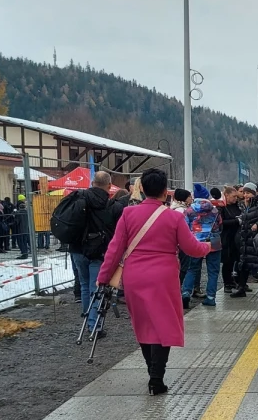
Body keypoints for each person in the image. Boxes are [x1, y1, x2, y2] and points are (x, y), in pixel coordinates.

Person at [97, 168, 211, 395]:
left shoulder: (128, 215)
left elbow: (114, 250)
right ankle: (156, 379)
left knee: (145, 325)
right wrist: (209, 246)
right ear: (164, 190)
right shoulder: (173, 217)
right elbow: (191, 248)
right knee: (164, 326)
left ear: (141, 188)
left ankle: (151, 370)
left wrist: (102, 278)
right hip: (164, 277)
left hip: (134, 276)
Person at [68, 171, 124, 334]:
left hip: (77, 250)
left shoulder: (79, 199)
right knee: (96, 288)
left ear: (93, 183)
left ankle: (87, 319)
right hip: (99, 252)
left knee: (85, 286)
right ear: (109, 186)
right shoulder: (114, 206)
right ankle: (94, 325)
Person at [180, 192, 223, 307]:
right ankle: (210, 297)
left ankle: (186, 293)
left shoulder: (189, 210)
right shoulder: (214, 210)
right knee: (213, 271)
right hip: (213, 241)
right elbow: (220, 224)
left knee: (192, 269)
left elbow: (185, 226)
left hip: (196, 241)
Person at [218, 185, 243, 292]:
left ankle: (235, 281)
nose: (235, 199)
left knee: (235, 260)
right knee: (227, 261)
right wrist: (236, 221)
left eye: (236, 197)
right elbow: (220, 223)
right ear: (226, 196)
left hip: (236, 237)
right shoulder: (221, 208)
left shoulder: (236, 206)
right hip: (226, 237)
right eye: (233, 197)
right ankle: (227, 283)